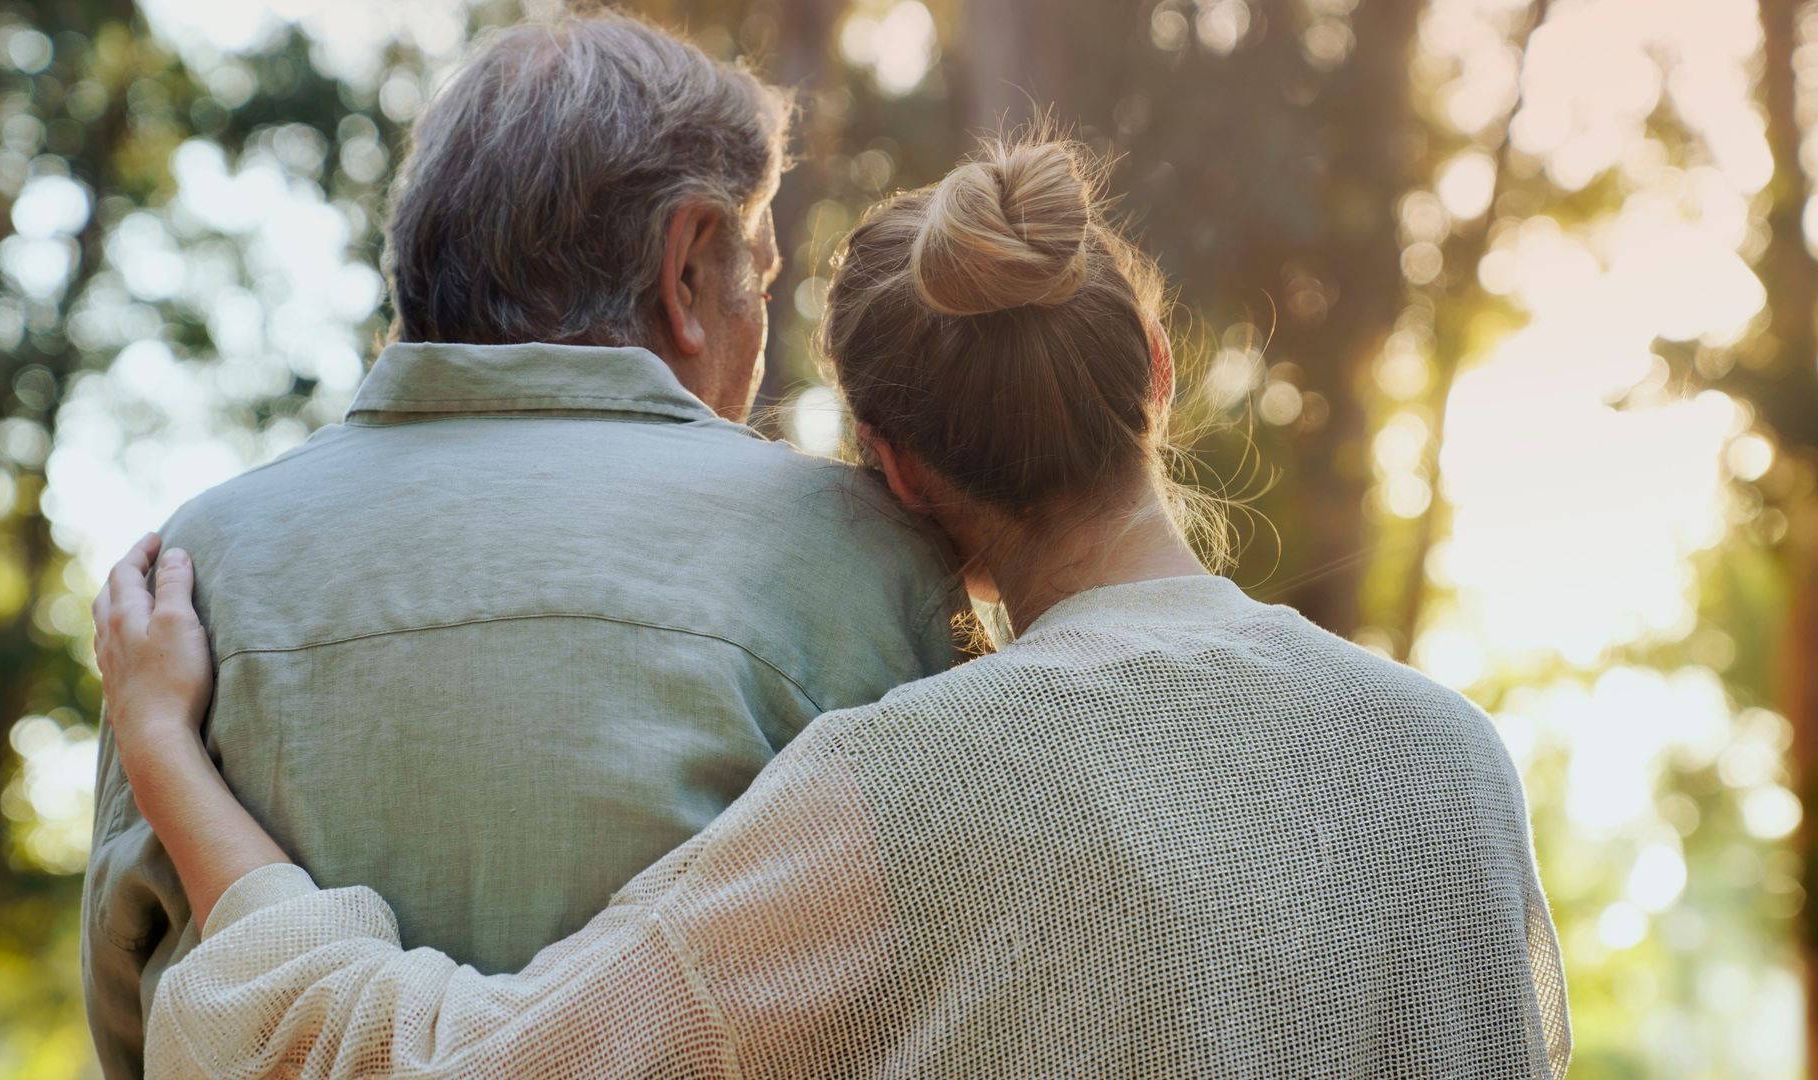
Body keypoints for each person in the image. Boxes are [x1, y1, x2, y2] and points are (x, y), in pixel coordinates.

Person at [95, 139, 1572, 1077]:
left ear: (895, 474)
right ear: (1158, 370)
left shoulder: (896, 794)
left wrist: (167, 747)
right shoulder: (1447, 762)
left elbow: (449, 1068)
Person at [80, 14, 967, 1077]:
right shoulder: (871, 562)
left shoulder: (188, 576)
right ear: (686, 269)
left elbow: (137, 1016)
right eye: (762, 282)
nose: (758, 320)